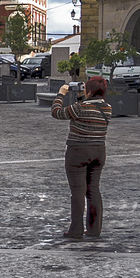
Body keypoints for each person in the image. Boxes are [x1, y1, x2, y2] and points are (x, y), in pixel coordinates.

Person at [52, 75, 112, 239]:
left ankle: (76, 230)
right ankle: (94, 229)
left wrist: (61, 94)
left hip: (78, 151)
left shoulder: (79, 108)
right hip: (99, 151)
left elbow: (56, 113)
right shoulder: (107, 108)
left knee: (78, 191)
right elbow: (87, 107)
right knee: (93, 190)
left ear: (89, 90)